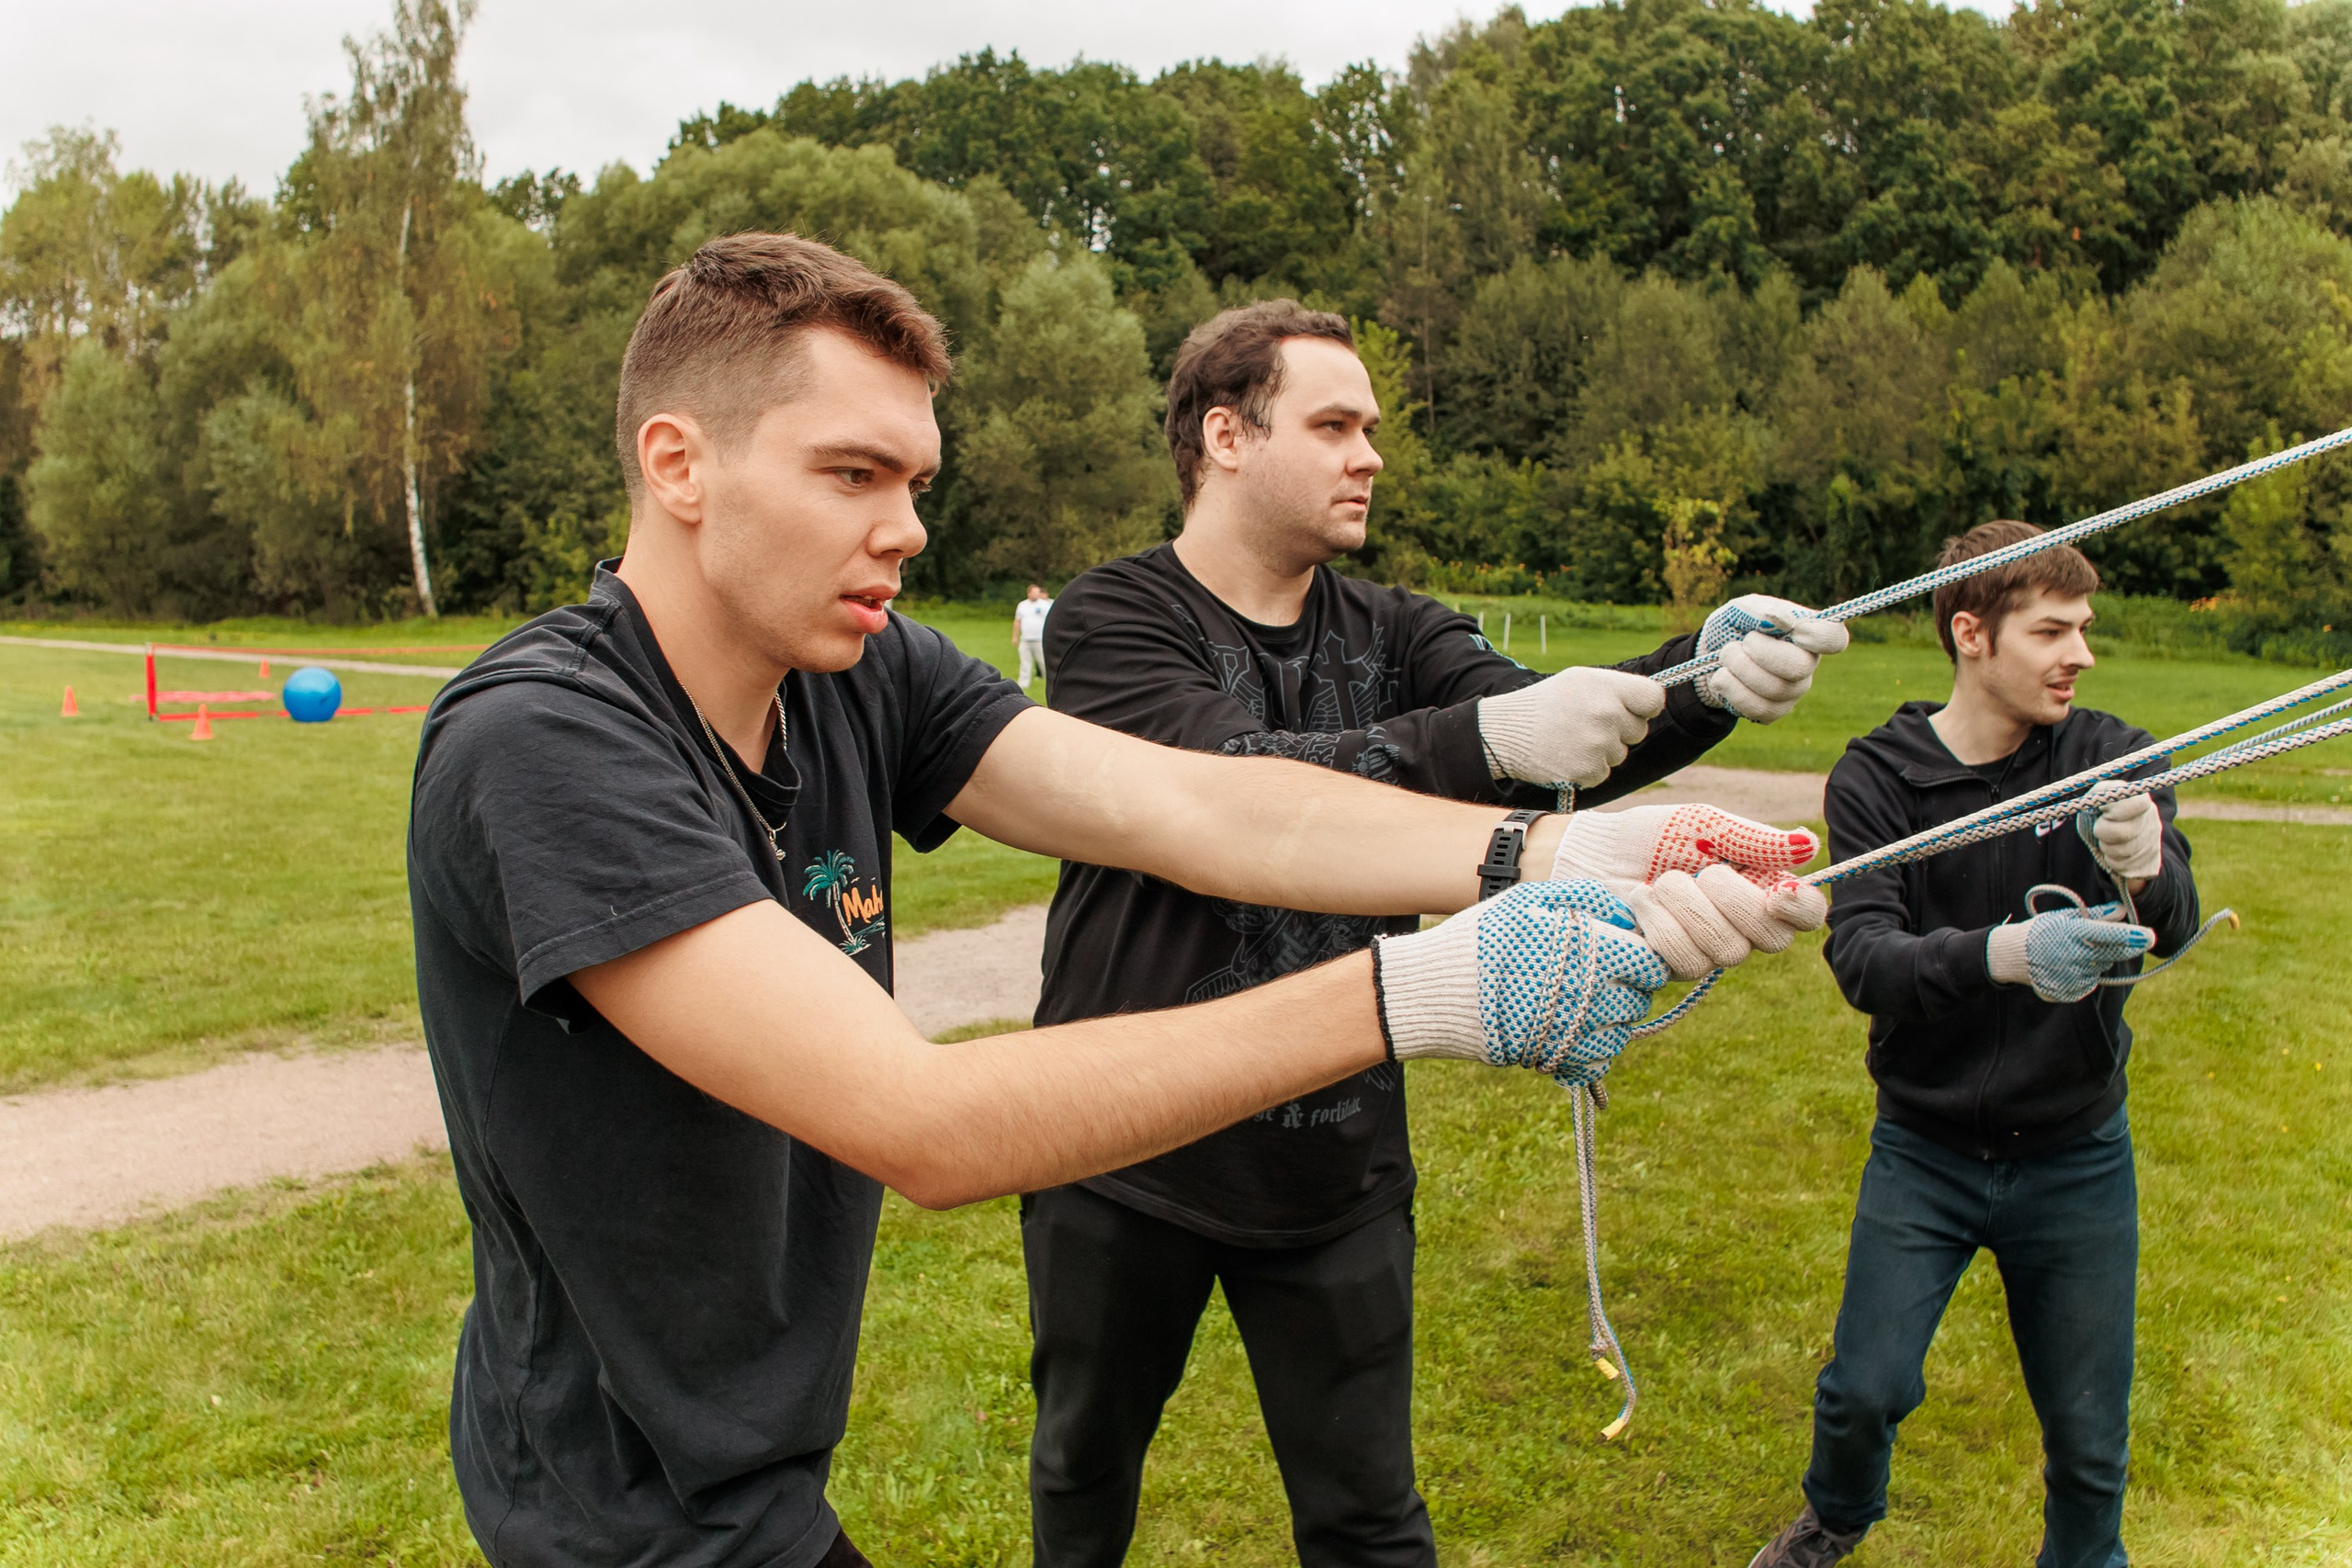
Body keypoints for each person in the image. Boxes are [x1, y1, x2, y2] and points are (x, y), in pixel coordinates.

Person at [406, 234, 1822, 1568]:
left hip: (752, 1458)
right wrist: (1427, 988)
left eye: (916, 480)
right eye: (852, 474)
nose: (905, 528)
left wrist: (1551, 853)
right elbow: (921, 1119)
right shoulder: (546, 740)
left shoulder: (864, 673)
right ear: (678, 464)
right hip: (621, 1502)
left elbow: (1190, 805)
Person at [1025, 299, 1851, 1568]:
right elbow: (1215, 776)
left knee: (1369, 1522)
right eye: (1333, 425)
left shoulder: (1401, 629)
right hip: (1123, 1147)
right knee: (1083, 1483)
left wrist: (1699, 676)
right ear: (1225, 437)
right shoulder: (1110, 619)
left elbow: (1547, 734)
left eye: (1370, 428)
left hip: (1334, 1162)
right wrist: (1484, 739)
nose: (1370, 454)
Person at [1747, 521, 2202, 1568]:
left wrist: (2149, 863)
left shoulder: (2111, 757)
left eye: (2083, 627)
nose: (2081, 654)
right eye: (2051, 631)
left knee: (2088, 1434)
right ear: (1969, 633)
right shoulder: (1880, 776)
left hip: (2076, 1152)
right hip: (1928, 1149)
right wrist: (2005, 953)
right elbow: (1864, 959)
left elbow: (2173, 927)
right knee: (1863, 1391)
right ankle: (1836, 1518)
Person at [1014, 581, 1053, 687]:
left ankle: (1050, 682)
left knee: (1043, 662)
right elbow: (1017, 621)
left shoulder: (1045, 605)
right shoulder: (1022, 605)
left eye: (1038, 592)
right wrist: (1015, 637)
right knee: (1025, 662)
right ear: (1029, 593)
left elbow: (1051, 620)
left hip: (1040, 639)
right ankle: (1023, 683)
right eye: (1034, 592)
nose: (1037, 594)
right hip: (1025, 639)